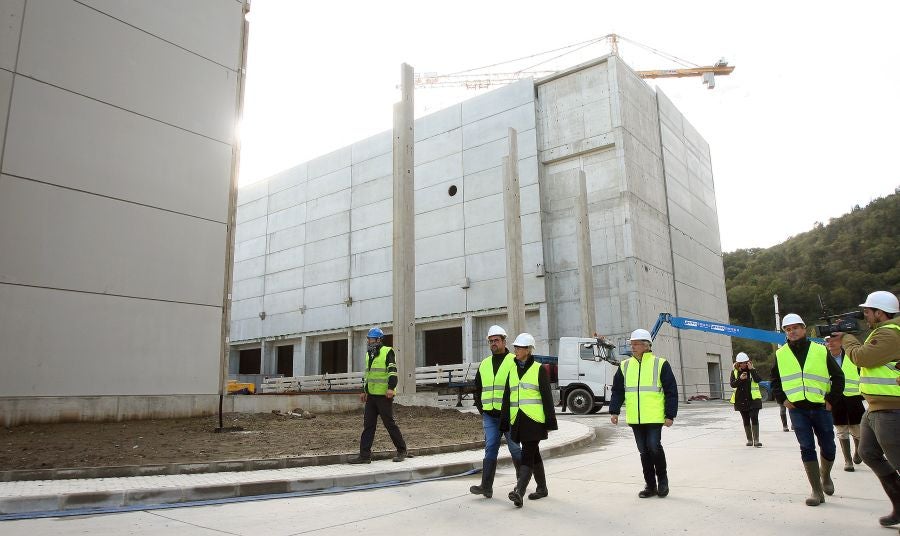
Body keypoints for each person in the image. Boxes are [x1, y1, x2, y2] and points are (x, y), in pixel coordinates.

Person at [832, 291, 900, 527]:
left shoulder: (891, 334)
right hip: (873, 407)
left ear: (880, 313)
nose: (865, 316)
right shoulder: (881, 333)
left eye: (868, 312)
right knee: (869, 453)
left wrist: (848, 338)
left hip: (891, 409)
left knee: (897, 460)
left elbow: (862, 357)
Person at [770, 313, 844, 506]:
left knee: (828, 446)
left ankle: (825, 476)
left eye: (795, 327)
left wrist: (831, 400)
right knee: (806, 447)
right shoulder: (781, 354)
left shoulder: (820, 350)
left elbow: (838, 377)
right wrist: (783, 400)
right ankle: (816, 491)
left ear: (803, 328)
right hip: (797, 409)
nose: (791, 332)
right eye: (788, 329)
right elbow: (775, 381)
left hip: (821, 407)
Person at [609, 328, 679, 498]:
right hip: (635, 417)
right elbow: (618, 390)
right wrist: (614, 410)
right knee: (643, 451)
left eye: (636, 344)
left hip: (655, 416)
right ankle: (650, 485)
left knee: (654, 447)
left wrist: (670, 415)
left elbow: (671, 390)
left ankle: (662, 482)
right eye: (631, 344)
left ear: (647, 345)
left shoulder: (660, 363)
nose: (632, 347)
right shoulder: (625, 366)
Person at [500, 333, 558, 508]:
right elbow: (506, 398)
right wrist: (504, 421)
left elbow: (547, 398)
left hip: (534, 420)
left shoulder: (539, 369)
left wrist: (550, 423)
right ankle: (542, 488)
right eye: (515, 347)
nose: (516, 350)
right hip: (517, 420)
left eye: (519, 347)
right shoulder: (512, 370)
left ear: (528, 350)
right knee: (534, 454)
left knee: (527, 454)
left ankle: (519, 491)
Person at [469, 325, 523, 498]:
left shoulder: (513, 361)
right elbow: (477, 388)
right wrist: (481, 409)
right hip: (490, 416)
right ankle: (486, 486)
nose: (493, 343)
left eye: (496, 340)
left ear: (504, 341)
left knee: (515, 448)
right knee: (490, 448)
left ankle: (521, 483)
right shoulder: (484, 364)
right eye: (491, 341)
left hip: (508, 415)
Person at [348, 327, 408, 464]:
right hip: (372, 396)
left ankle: (402, 450)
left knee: (389, 424)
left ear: (378, 339)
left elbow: (392, 371)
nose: (368, 341)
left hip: (384, 396)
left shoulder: (387, 352)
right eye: (368, 338)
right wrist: (364, 390)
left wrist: (391, 388)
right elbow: (367, 374)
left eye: (370, 338)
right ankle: (364, 456)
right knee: (368, 425)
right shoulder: (369, 354)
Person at [824, 335, 865, 472]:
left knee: (857, 429)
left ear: (841, 342)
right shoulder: (823, 358)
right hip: (835, 398)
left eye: (834, 340)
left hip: (853, 397)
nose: (830, 343)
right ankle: (848, 460)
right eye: (828, 341)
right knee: (841, 430)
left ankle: (858, 453)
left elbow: (863, 373)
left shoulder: (852, 356)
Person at [730, 352, 763, 447]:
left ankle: (756, 440)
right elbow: (732, 384)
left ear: (748, 362)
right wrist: (740, 379)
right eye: (741, 363)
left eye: (745, 362)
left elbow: (758, 380)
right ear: (738, 363)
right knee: (745, 419)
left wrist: (751, 369)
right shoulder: (735, 372)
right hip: (740, 400)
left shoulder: (752, 370)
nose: (743, 364)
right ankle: (749, 440)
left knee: (754, 417)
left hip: (753, 400)